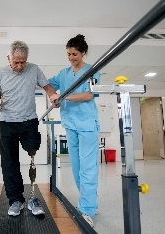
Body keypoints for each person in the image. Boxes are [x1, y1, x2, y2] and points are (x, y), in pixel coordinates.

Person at [0, 40, 57, 217]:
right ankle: (16, 200)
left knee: (32, 149)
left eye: (22, 62)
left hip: (29, 120)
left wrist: (53, 95)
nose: (19, 66)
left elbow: (47, 87)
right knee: (9, 163)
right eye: (16, 62)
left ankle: (33, 197)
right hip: (7, 122)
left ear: (27, 59)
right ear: (8, 58)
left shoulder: (33, 69)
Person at [48, 34, 100, 227]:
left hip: (87, 125)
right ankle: (90, 203)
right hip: (70, 124)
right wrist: (52, 94)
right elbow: (47, 84)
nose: (71, 57)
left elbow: (88, 95)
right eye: (69, 54)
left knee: (88, 169)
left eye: (75, 54)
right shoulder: (63, 74)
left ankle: (86, 210)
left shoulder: (92, 71)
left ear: (83, 53)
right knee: (77, 168)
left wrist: (63, 96)